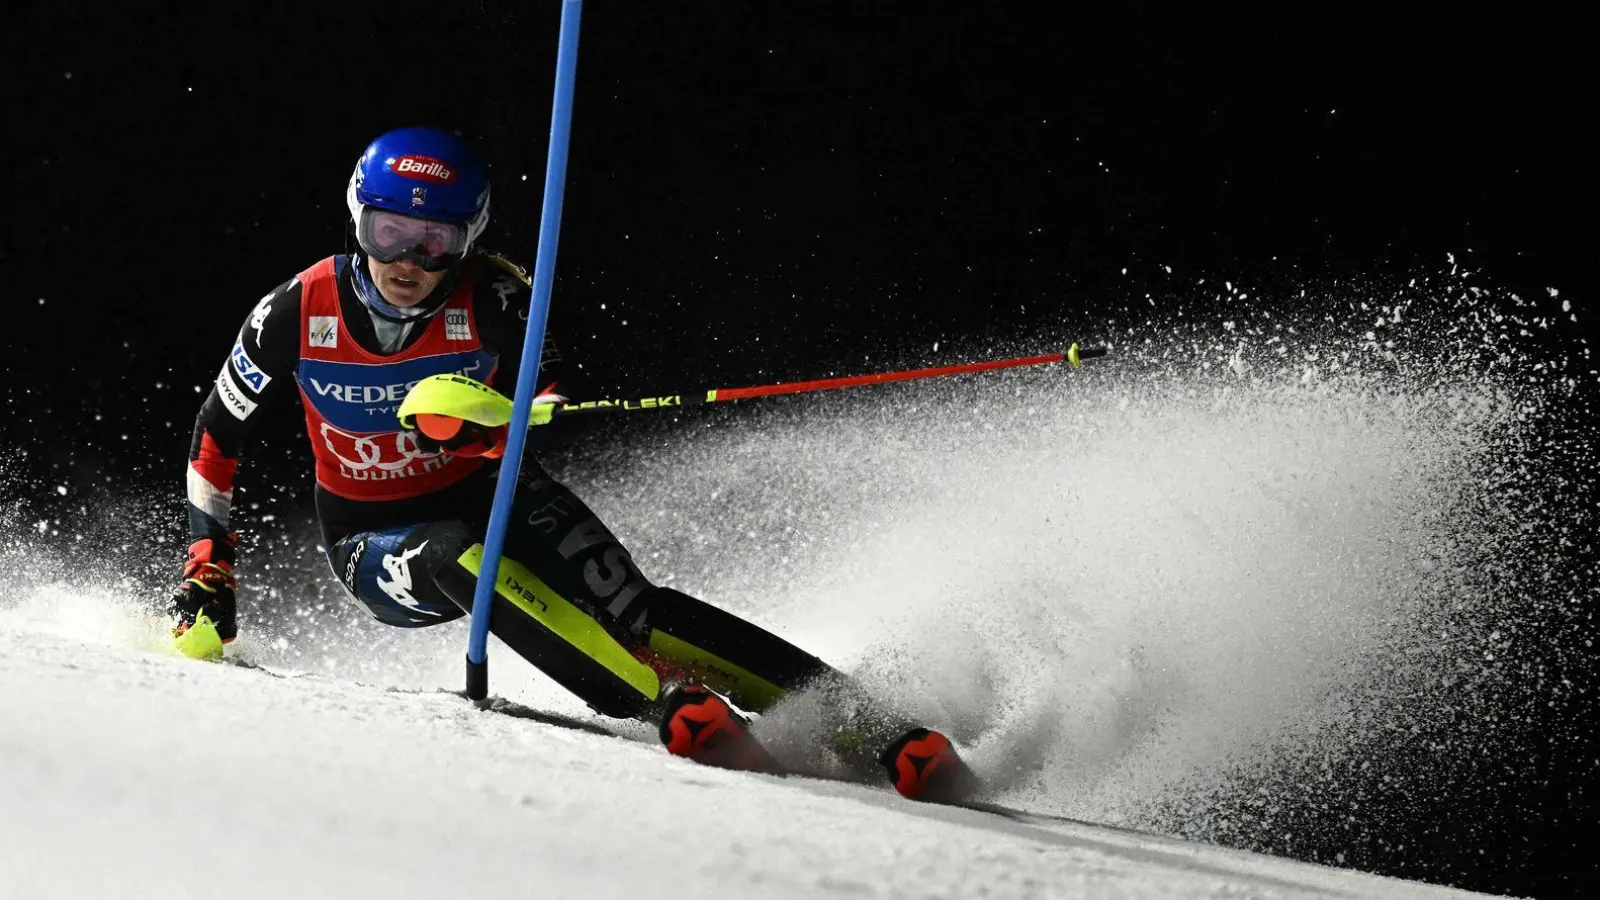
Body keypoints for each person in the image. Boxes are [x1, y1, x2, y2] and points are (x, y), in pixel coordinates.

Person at [169, 126, 975, 802]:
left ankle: (877, 730)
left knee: (638, 611)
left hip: (496, 490)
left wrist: (493, 424)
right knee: (457, 557)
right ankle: (666, 707)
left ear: (468, 241)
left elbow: (556, 393)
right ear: (358, 219)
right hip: (372, 537)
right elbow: (216, 436)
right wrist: (210, 562)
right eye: (388, 233)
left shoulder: (495, 296)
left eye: (435, 241)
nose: (408, 260)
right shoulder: (293, 311)